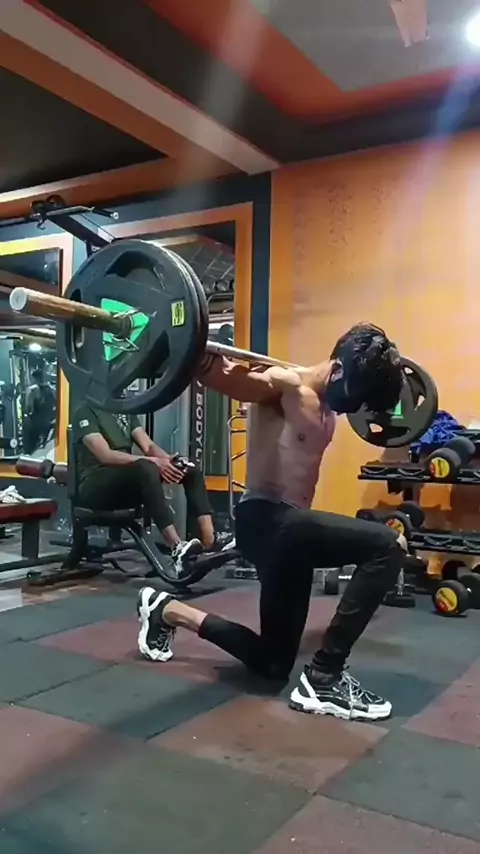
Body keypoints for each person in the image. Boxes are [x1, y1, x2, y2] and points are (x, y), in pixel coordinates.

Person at [137, 323, 407, 720]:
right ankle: (324, 677)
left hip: (291, 539)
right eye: (357, 394)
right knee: (387, 546)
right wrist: (178, 341)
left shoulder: (328, 409)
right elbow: (216, 374)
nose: (356, 406)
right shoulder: (283, 384)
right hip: (265, 520)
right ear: (337, 369)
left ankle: (167, 609)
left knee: (273, 664)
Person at [71, 403, 222, 572]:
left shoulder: (125, 411)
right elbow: (105, 455)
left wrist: (168, 461)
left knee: (190, 467)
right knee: (146, 468)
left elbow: (149, 446)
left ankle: (210, 541)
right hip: (95, 488)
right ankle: (176, 547)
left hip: (124, 484)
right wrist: (156, 463)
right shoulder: (85, 412)